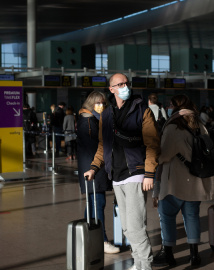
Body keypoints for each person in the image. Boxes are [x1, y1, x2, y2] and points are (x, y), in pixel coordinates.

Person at [84, 73, 160, 270]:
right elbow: (103, 145)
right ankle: (138, 261)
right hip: (116, 175)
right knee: (127, 227)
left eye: (126, 83)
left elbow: (152, 143)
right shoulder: (107, 114)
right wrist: (94, 167)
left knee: (135, 226)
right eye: (120, 84)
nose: (124, 86)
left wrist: (150, 173)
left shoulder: (142, 109)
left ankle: (145, 265)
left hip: (136, 172)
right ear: (111, 89)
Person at [151, 94, 214, 267]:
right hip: (196, 180)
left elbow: (164, 155)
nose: (168, 107)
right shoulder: (200, 125)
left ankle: (169, 253)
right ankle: (195, 255)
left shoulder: (173, 127)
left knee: (167, 216)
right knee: (192, 216)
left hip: (175, 183)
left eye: (170, 104)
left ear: (175, 106)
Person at [76, 90, 120, 254]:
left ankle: (92, 238)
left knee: (93, 204)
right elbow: (97, 146)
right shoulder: (88, 121)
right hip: (93, 169)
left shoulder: (91, 119)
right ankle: (101, 240)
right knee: (98, 203)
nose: (101, 106)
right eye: (98, 103)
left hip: (93, 168)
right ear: (90, 103)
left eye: (103, 103)